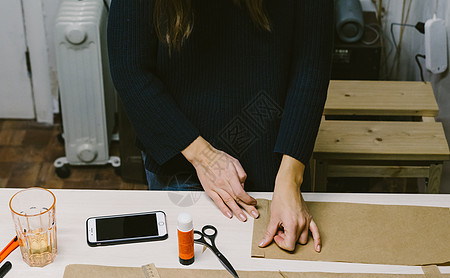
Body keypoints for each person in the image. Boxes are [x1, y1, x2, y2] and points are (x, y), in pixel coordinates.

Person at [107, 0, 334, 252]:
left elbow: (311, 66)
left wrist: (291, 178)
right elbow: (130, 68)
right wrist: (203, 156)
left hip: (277, 153)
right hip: (181, 155)